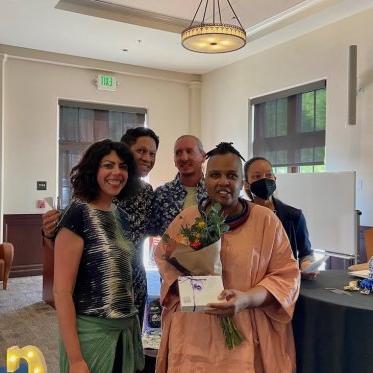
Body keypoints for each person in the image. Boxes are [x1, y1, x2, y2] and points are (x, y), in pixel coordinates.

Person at [155, 142, 300, 372]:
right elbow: (164, 257)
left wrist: (246, 299)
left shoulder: (266, 221)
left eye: (231, 175)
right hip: (194, 335)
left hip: (246, 334)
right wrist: (191, 289)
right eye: (215, 175)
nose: (223, 182)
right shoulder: (187, 219)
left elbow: (286, 276)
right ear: (205, 180)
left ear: (242, 183)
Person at [42, 126, 160, 325]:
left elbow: (160, 227)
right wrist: (48, 232)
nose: (147, 158)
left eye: (152, 153)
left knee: (131, 343)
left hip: (134, 283)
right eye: (141, 151)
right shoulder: (90, 194)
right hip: (95, 286)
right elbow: (66, 242)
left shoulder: (148, 193)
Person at [54, 139, 144, 373]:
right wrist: (75, 359)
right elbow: (61, 292)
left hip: (124, 333)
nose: (117, 172)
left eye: (123, 166)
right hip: (91, 336)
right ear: (93, 169)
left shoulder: (121, 216)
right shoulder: (77, 214)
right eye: (108, 165)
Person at [243, 156, 317, 279]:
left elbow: (306, 253)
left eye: (268, 175)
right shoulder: (241, 215)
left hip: (283, 284)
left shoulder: (294, 216)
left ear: (275, 179)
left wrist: (307, 265)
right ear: (246, 184)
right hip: (250, 284)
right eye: (257, 176)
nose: (264, 180)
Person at [150, 135, 207, 236]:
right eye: (178, 153)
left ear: (203, 156)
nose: (184, 158)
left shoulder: (213, 192)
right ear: (174, 160)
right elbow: (150, 232)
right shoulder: (162, 194)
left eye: (189, 151)